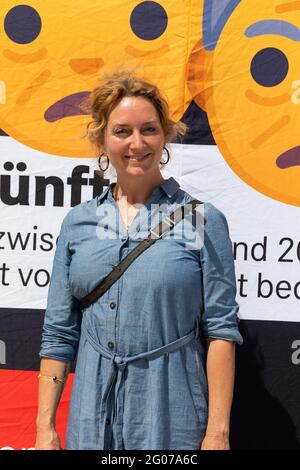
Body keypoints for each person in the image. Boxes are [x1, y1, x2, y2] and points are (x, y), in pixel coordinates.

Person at [35, 70, 243, 451]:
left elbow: (221, 331)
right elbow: (59, 333)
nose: (137, 143)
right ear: (101, 139)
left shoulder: (203, 220)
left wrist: (218, 432)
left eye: (148, 129)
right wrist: (45, 429)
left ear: (164, 135)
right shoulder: (77, 222)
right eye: (122, 131)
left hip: (171, 410)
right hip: (91, 416)